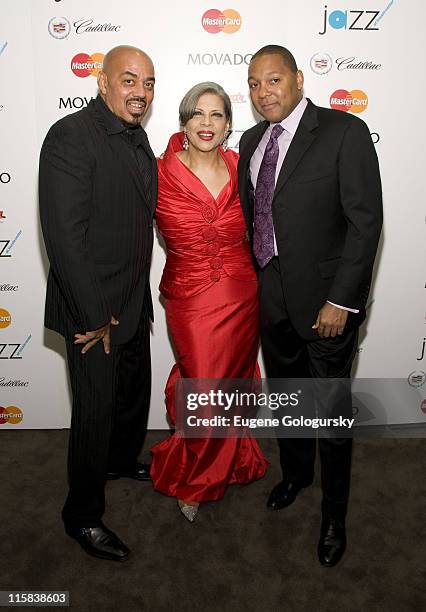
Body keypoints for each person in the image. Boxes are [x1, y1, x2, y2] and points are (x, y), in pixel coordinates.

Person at [238, 45, 382, 566]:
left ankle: (334, 514)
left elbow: (365, 224)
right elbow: (257, 218)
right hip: (271, 296)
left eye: (273, 81)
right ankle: (296, 474)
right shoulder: (252, 141)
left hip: (327, 306)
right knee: (288, 397)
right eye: (254, 84)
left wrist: (341, 300)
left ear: (298, 80)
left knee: (331, 412)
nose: (263, 93)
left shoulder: (344, 133)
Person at [39, 45, 157, 561]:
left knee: (131, 396)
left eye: (149, 83)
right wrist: (93, 317)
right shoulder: (70, 136)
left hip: (132, 300)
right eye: (129, 80)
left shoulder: (138, 138)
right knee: (94, 411)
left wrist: (133, 301)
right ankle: (82, 516)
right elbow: (64, 236)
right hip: (92, 310)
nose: (140, 92)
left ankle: (122, 460)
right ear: (102, 82)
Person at [150, 82, 268, 521]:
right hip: (190, 294)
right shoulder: (158, 172)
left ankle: (231, 460)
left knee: (232, 382)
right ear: (184, 121)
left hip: (242, 292)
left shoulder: (246, 168)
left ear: (228, 125)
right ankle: (197, 477)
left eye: (216, 115)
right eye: (197, 114)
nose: (206, 123)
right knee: (202, 385)